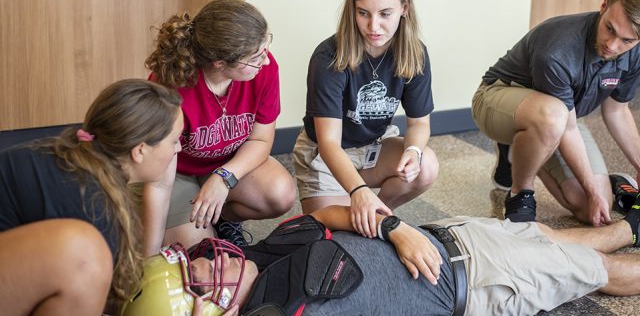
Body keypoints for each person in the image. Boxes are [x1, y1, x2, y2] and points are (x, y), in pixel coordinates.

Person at [122, 180, 640, 316]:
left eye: (200, 256)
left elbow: (324, 216)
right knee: (598, 271)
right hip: (478, 281)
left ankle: (630, 225)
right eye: (202, 275)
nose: (212, 256)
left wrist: (396, 228)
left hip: (444, 232)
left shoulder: (257, 257)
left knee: (545, 235)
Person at [0, 79, 184, 315]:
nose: (178, 149)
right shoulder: (95, 211)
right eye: (174, 140)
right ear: (140, 151)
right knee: (85, 256)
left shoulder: (68, 152)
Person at [472, 0, 640, 226]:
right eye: (609, 29)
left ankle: (525, 149)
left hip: (560, 117)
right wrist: (591, 188)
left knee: (589, 209)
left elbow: (616, 110)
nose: (612, 46)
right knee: (553, 119)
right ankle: (521, 192)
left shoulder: (635, 53)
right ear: (603, 6)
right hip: (496, 97)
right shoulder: (558, 47)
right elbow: (568, 128)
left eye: (626, 40)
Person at [293, 0, 438, 239]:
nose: (374, 26)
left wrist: (413, 152)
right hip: (326, 155)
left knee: (427, 165)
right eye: (363, 13)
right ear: (353, 10)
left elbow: (419, 122)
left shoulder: (414, 53)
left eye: (385, 14)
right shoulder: (328, 56)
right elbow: (329, 143)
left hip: (373, 148)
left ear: (404, 8)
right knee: (339, 234)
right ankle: (369, 211)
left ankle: (382, 212)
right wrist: (359, 192)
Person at [143, 0, 296, 252]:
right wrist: (147, 257)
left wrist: (224, 178)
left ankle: (222, 219)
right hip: (176, 172)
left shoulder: (265, 70)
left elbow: (261, 140)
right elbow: (158, 181)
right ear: (219, 63)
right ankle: (199, 223)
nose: (266, 61)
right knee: (203, 255)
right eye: (255, 57)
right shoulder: (169, 87)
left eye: (265, 47)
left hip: (226, 162)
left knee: (281, 194)